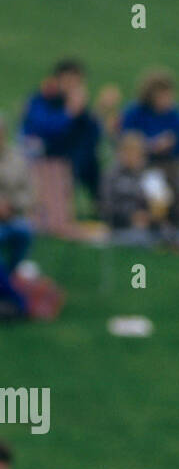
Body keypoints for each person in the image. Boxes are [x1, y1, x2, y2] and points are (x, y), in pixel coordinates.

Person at [19, 59, 119, 201]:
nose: (72, 86)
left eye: (77, 82)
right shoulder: (41, 99)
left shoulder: (77, 105)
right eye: (68, 81)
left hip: (78, 159)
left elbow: (91, 135)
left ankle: (101, 208)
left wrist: (101, 112)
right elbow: (43, 128)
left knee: (93, 165)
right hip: (47, 157)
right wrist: (69, 112)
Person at [120, 69, 179, 223]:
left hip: (169, 163)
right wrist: (150, 145)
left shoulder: (176, 115)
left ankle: (175, 219)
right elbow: (126, 139)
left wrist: (169, 145)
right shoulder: (135, 113)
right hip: (140, 162)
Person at [99, 132, 172, 241]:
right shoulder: (112, 176)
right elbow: (106, 206)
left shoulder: (151, 176)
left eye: (134, 152)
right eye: (127, 152)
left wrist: (150, 217)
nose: (130, 157)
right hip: (120, 225)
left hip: (150, 226)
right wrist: (130, 217)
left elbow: (162, 206)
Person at [0, 114, 33, 319]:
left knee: (24, 232)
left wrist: (11, 206)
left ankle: (8, 279)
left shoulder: (17, 159)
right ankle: (17, 301)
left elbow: (29, 193)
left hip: (12, 216)